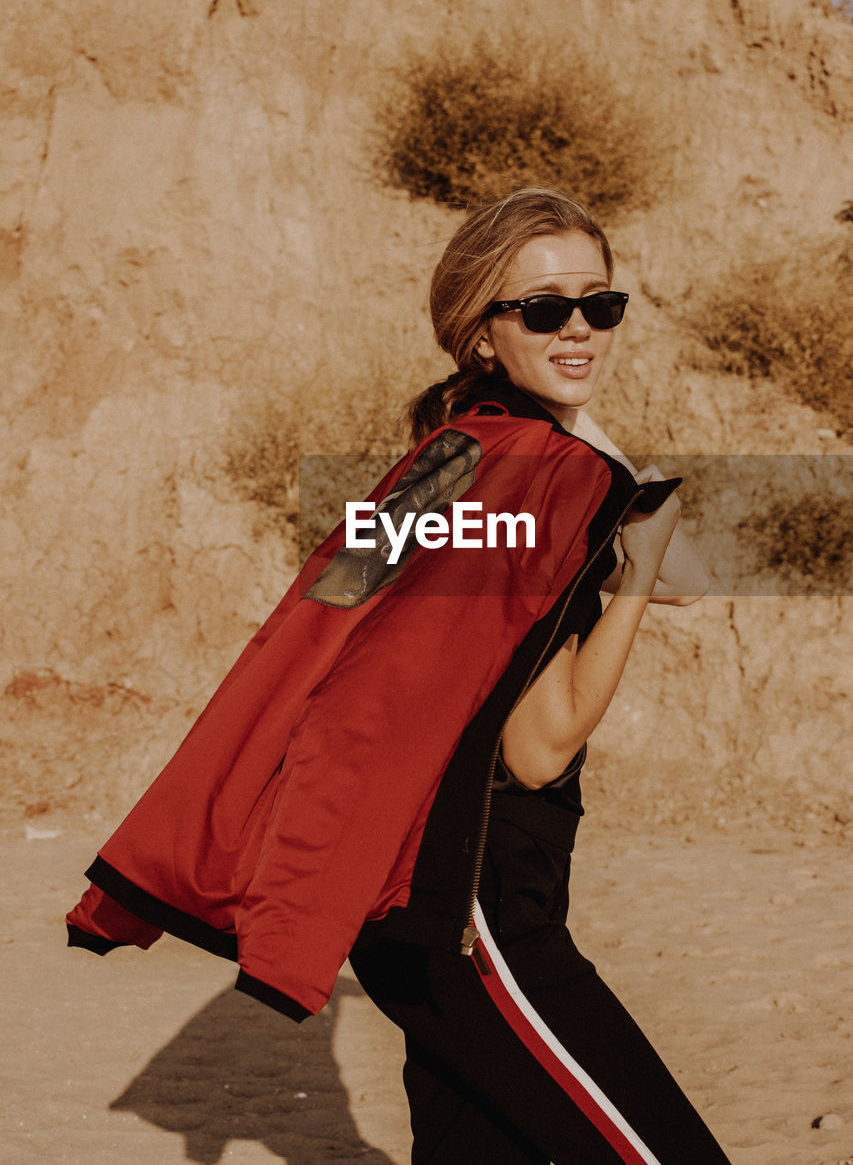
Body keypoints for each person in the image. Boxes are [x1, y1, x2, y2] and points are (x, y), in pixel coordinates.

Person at [67, 187, 727, 1164]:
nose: (580, 327)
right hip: (476, 908)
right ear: (482, 333)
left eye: (600, 302)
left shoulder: (443, 463)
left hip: (398, 905)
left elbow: (332, 621)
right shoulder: (545, 475)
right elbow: (539, 749)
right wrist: (632, 562)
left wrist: (617, 530)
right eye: (544, 308)